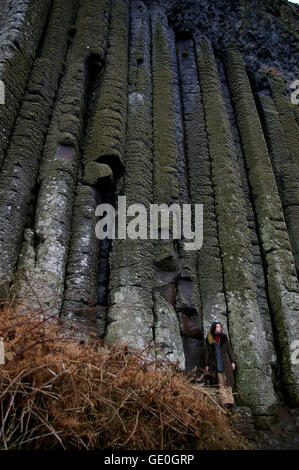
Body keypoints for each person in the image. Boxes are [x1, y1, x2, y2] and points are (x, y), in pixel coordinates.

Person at [204, 322, 236, 409]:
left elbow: (229, 350)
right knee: (221, 384)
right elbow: (207, 352)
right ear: (214, 328)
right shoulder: (209, 339)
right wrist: (206, 364)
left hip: (226, 363)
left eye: (220, 327)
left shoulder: (224, 337)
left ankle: (231, 401)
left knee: (228, 383)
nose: (219, 328)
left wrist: (233, 362)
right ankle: (225, 401)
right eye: (218, 327)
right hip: (216, 364)